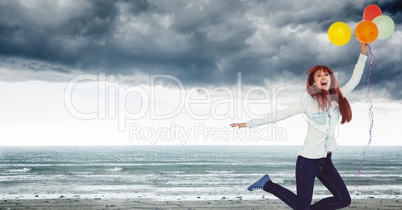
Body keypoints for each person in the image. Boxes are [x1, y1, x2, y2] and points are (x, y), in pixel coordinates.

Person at [230, 42, 369, 210]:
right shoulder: (307, 102)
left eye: (326, 74)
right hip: (307, 161)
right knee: (302, 207)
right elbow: (280, 114)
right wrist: (248, 123)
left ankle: (269, 185)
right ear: (313, 82)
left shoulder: (336, 98)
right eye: (318, 76)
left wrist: (363, 53)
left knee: (344, 200)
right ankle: (268, 184)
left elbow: (355, 80)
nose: (323, 77)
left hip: (326, 162)